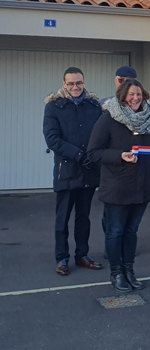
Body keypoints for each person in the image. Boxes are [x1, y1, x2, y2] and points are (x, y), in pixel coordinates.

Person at [87, 79, 150, 292]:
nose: (135, 98)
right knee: (115, 231)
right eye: (131, 94)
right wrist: (120, 156)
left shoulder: (149, 118)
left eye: (139, 94)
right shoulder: (108, 119)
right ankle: (116, 273)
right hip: (117, 187)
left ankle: (129, 270)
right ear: (122, 96)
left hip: (142, 186)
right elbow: (93, 152)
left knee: (132, 231)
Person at [43, 67, 103, 276]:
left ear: (84, 83)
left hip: (88, 172)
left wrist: (94, 156)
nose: (75, 87)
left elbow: (100, 136)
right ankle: (62, 258)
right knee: (62, 219)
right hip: (66, 171)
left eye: (79, 83)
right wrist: (79, 155)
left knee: (83, 218)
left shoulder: (94, 106)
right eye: (71, 84)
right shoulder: (54, 107)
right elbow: (52, 139)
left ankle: (82, 255)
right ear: (64, 84)